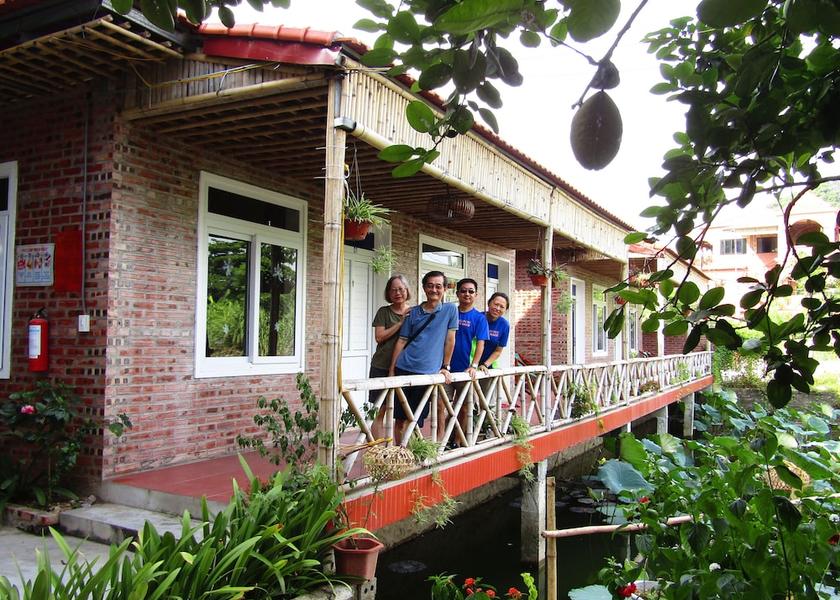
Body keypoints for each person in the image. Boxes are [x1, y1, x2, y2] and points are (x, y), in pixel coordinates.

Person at [389, 271, 458, 442]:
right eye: (430, 285)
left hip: (426, 373)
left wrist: (445, 366)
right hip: (404, 367)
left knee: (415, 419)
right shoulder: (413, 312)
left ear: (444, 289)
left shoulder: (450, 310)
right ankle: (400, 454)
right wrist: (392, 369)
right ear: (424, 288)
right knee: (399, 418)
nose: (434, 289)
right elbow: (401, 341)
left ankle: (410, 453)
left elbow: (450, 340)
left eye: (438, 286)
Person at [368, 274, 411, 440]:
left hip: (404, 367)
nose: (397, 293)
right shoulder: (384, 312)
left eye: (401, 289)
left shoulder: (413, 312)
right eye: (393, 290)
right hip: (381, 365)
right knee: (380, 410)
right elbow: (379, 337)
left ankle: (398, 452)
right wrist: (400, 324)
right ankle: (376, 451)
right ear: (388, 293)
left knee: (402, 413)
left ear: (407, 290)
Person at [448, 278, 489, 445]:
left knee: (464, 407)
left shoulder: (479, 318)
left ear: (476, 295)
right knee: (440, 406)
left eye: (471, 291)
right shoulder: (450, 312)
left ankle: (456, 442)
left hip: (465, 369)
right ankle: (440, 442)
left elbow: (481, 343)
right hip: (446, 369)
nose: (467, 294)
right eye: (463, 291)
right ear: (457, 293)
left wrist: (474, 365)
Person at [477, 292, 511, 404]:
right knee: (466, 403)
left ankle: (485, 421)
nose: (497, 308)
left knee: (486, 402)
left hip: (488, 367)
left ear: (505, 310)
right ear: (489, 303)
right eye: (495, 304)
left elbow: (498, 351)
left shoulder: (504, 325)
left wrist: (485, 364)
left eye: (502, 307)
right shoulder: (478, 318)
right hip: (468, 365)